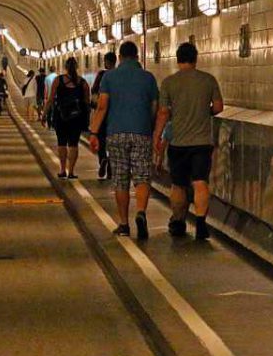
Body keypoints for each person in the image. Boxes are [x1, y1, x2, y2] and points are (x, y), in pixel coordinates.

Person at [153, 42, 223, 240]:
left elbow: (164, 113)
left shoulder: (169, 82)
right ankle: (201, 224)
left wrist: (157, 136)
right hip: (202, 142)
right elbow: (218, 107)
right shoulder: (208, 80)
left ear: (177, 59)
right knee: (200, 182)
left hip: (178, 143)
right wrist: (204, 112)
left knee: (178, 184)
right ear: (195, 58)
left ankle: (178, 221)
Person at [88, 42, 158, 239]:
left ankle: (124, 223)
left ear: (119, 57)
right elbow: (154, 107)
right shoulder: (148, 78)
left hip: (116, 133)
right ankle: (141, 212)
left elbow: (102, 106)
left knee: (121, 178)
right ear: (137, 56)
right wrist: (149, 127)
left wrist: (94, 132)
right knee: (142, 175)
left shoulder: (109, 77)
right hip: (142, 132)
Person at [46, 56, 90, 179]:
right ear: (76, 67)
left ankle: (62, 169)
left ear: (65, 67)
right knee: (73, 144)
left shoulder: (58, 80)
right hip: (76, 118)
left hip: (61, 116)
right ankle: (71, 171)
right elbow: (87, 102)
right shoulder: (83, 82)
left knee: (61, 143)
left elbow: (50, 99)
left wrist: (44, 114)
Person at [91, 51, 117, 181]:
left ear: (106, 62)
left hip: (103, 115)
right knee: (113, 142)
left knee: (101, 141)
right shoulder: (119, 76)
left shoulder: (102, 75)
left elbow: (94, 92)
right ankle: (111, 168)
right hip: (115, 115)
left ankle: (103, 159)